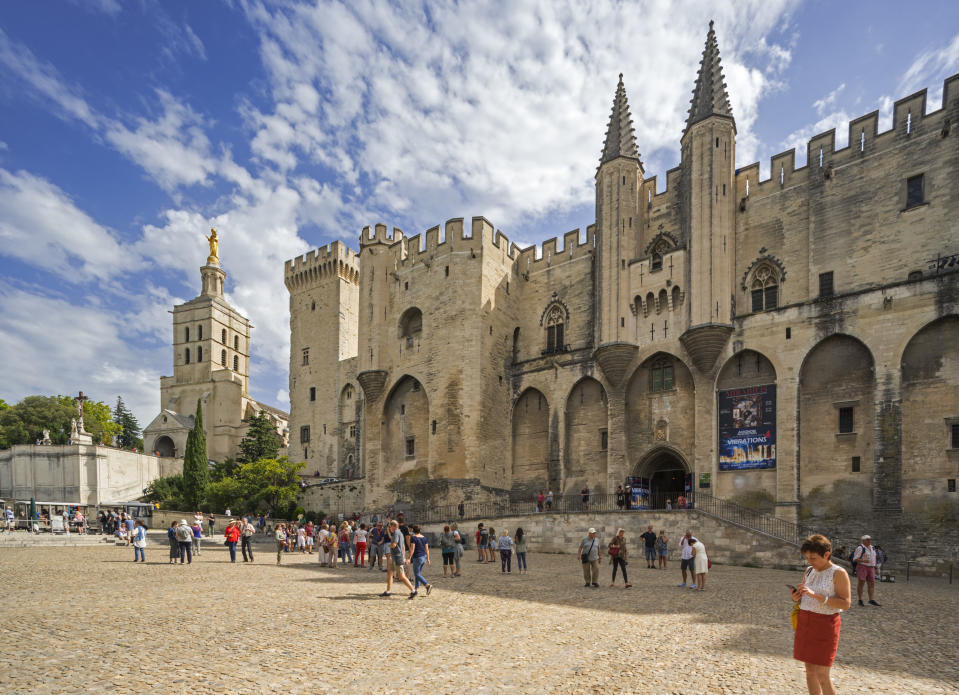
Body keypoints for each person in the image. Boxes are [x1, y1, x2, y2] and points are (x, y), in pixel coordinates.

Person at [791, 534, 851, 695]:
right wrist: (797, 597)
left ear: (827, 554)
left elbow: (845, 603)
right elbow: (806, 596)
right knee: (809, 670)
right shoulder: (809, 570)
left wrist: (817, 596)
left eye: (814, 558)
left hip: (825, 625)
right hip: (805, 622)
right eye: (807, 558)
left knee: (822, 674)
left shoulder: (838, 573)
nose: (810, 561)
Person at [381, 520, 415, 598]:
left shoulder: (396, 533)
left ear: (394, 526)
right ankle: (388, 591)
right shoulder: (400, 533)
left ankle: (413, 590)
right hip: (396, 556)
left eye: (390, 527)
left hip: (397, 557)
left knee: (401, 576)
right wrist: (403, 555)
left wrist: (388, 546)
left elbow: (394, 545)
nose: (389, 529)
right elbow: (402, 546)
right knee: (390, 573)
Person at [852, 535, 881, 607]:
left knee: (871, 584)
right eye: (868, 539)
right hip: (862, 567)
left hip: (871, 567)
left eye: (870, 539)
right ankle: (860, 600)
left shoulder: (872, 547)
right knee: (861, 583)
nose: (869, 541)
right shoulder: (860, 548)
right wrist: (863, 560)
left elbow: (873, 558)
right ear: (863, 540)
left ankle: (871, 600)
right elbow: (855, 559)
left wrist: (876, 568)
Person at [408, 524, 432, 596]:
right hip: (423, 557)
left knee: (417, 574)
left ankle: (427, 585)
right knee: (418, 574)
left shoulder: (413, 538)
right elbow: (427, 549)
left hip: (417, 557)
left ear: (413, 530)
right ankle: (416, 589)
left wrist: (409, 558)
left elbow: (412, 549)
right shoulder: (424, 538)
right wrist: (428, 558)